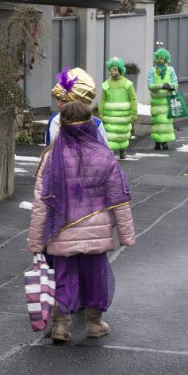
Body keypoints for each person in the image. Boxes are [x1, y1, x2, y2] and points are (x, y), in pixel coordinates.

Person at [27, 101, 135, 342]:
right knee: (96, 278)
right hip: (96, 234)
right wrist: (126, 234)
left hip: (61, 233)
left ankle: (60, 325)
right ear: (89, 124)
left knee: (64, 278)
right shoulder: (103, 155)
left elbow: (41, 202)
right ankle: (94, 324)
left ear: (62, 126)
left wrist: (36, 241)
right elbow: (119, 197)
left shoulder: (51, 158)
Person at [46, 66, 109, 147]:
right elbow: (49, 151)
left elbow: (104, 153)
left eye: (65, 101)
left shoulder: (96, 125)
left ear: (79, 104)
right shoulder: (54, 121)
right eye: (57, 98)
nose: (58, 104)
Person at [99, 57, 138, 160]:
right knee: (110, 134)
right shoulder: (107, 84)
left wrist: (134, 114)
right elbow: (102, 99)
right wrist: (101, 113)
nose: (111, 71)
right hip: (110, 115)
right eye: (110, 69)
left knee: (122, 133)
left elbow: (133, 99)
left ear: (120, 70)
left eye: (114, 69)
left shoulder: (127, 84)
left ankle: (122, 149)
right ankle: (111, 150)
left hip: (123, 116)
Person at [147, 48, 178, 150]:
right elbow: (150, 85)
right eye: (158, 58)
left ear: (166, 59)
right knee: (157, 122)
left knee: (166, 122)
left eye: (162, 58)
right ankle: (157, 141)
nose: (160, 60)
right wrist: (160, 86)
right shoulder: (152, 70)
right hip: (156, 100)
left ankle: (165, 141)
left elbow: (175, 83)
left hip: (167, 100)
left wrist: (170, 86)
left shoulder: (170, 70)